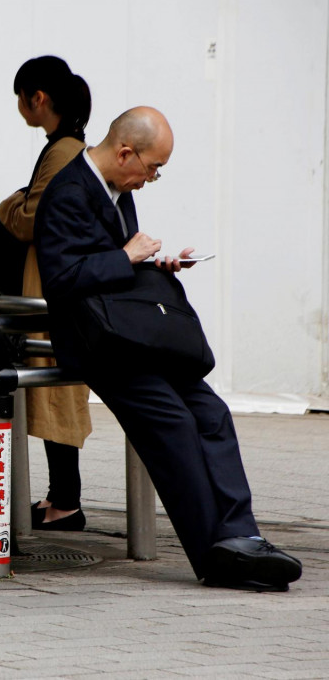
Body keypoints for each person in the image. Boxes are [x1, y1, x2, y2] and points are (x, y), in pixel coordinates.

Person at [34, 106, 302, 591]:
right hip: (101, 346)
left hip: (133, 334)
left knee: (212, 412)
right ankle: (214, 556)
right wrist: (125, 257)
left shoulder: (117, 188)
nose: (153, 178)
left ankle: (242, 536)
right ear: (124, 153)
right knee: (174, 423)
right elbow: (61, 280)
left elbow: (114, 265)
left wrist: (156, 265)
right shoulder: (68, 192)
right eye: (153, 167)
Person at [0, 56, 93, 531]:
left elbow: (33, 216)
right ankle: (61, 498)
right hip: (57, 282)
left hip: (51, 286)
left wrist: (7, 202)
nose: (18, 107)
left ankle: (66, 503)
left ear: (38, 98)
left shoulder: (63, 150)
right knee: (56, 392)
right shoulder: (69, 146)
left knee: (55, 392)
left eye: (20, 97)